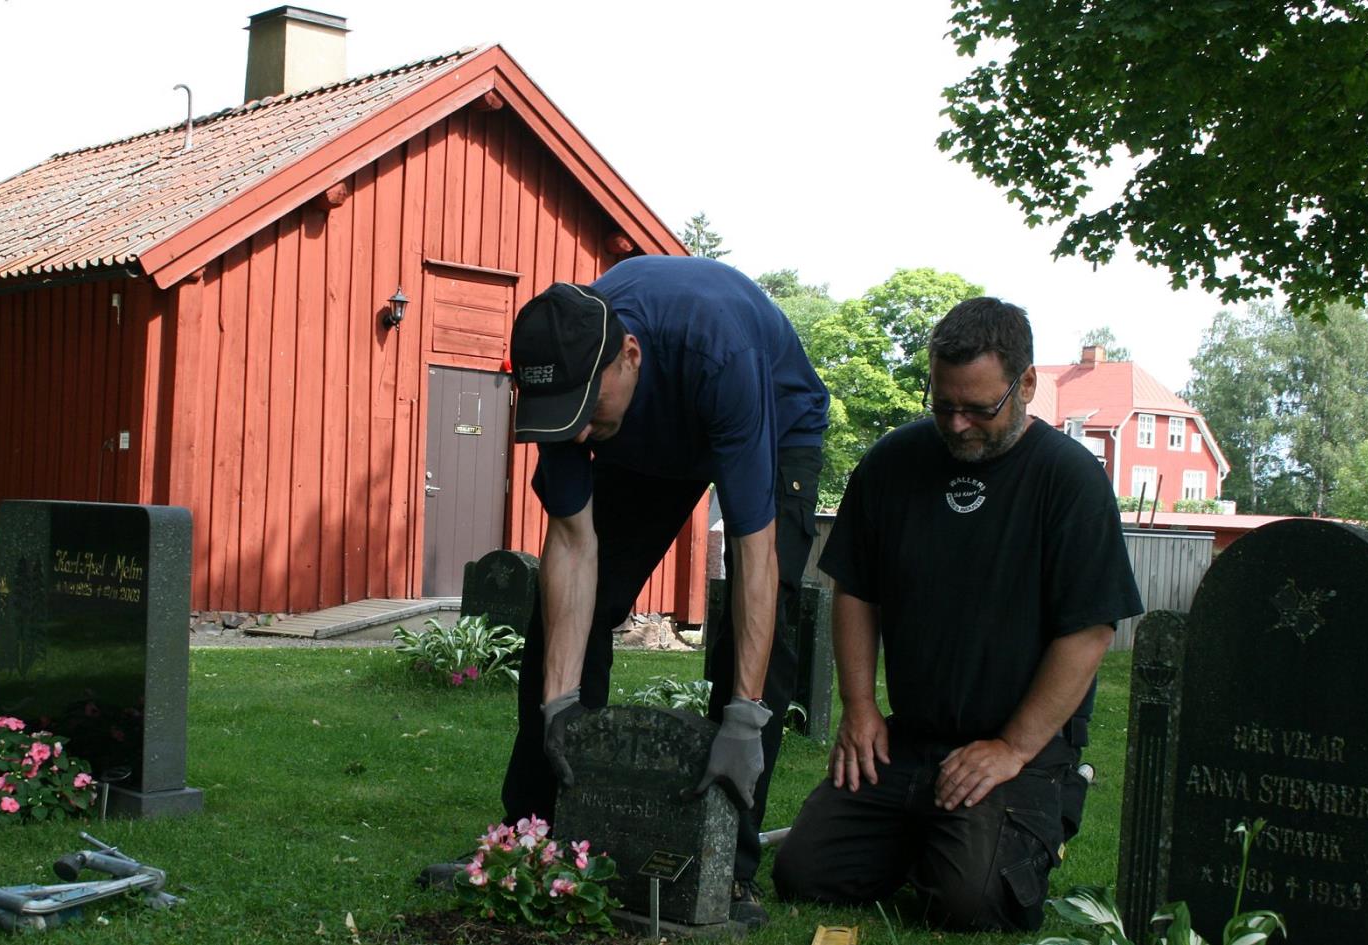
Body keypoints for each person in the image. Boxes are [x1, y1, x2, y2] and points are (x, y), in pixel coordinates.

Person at [420, 255, 829, 929]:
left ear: (629, 356)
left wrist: (744, 716)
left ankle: (727, 867)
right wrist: (558, 706)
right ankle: (533, 840)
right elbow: (575, 546)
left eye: (586, 412)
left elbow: (754, 557)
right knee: (561, 621)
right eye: (561, 417)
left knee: (765, 620)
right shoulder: (565, 379)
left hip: (774, 422)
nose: (575, 432)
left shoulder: (720, 353)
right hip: (648, 435)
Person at [771, 297, 1142, 932]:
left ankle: (1020, 823)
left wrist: (1011, 747)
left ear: (1026, 384)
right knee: (804, 873)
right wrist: (860, 709)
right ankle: (931, 836)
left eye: (978, 407)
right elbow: (856, 589)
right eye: (943, 405)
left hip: (1020, 748)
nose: (958, 423)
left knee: (973, 904)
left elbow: (1089, 631)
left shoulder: (1069, 480)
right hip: (909, 739)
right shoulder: (894, 463)